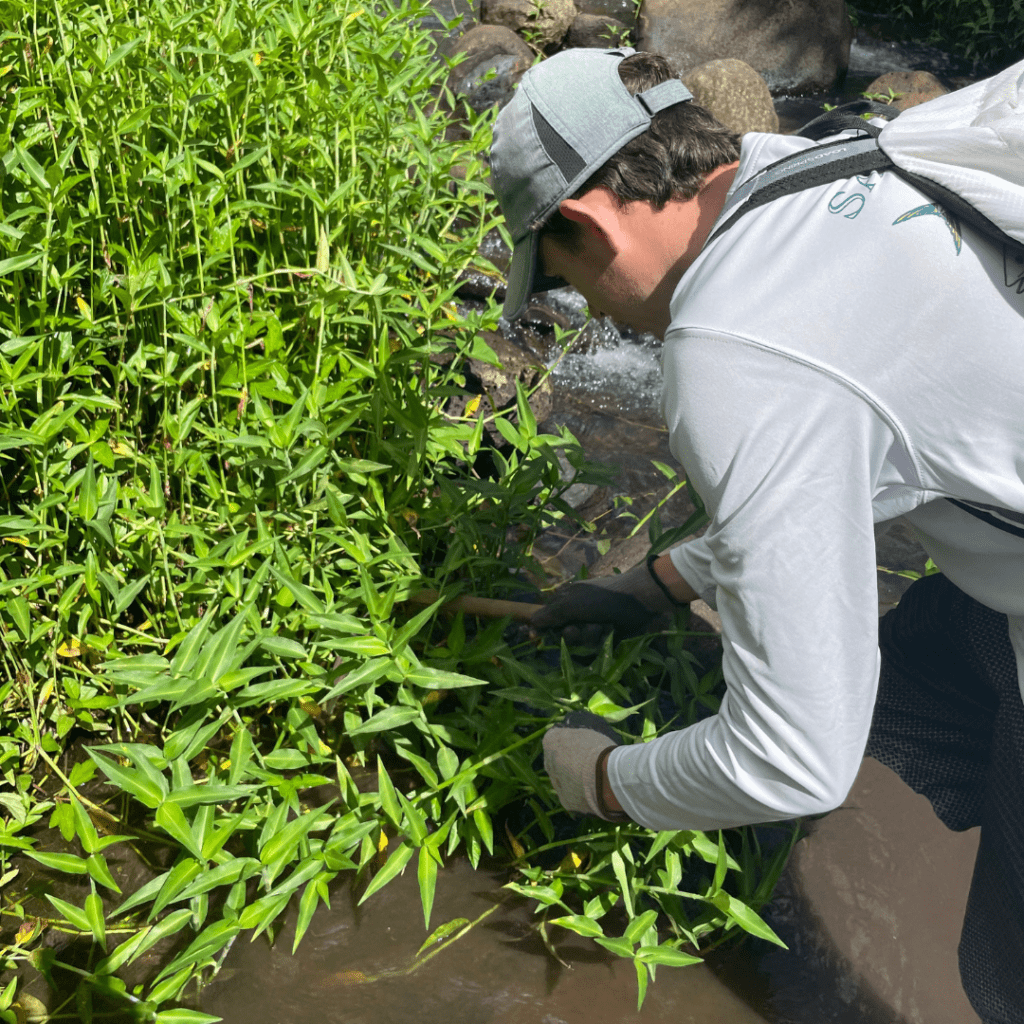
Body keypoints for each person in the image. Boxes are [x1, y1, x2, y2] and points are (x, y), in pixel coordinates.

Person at [488, 47, 1024, 1023]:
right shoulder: (849, 163)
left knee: (1004, 972)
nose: (597, 312)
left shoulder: (729, 345)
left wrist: (602, 779)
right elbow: (870, 435)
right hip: (1002, 564)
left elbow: (791, 755)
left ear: (588, 219)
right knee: (902, 698)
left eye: (565, 280)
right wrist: (664, 580)